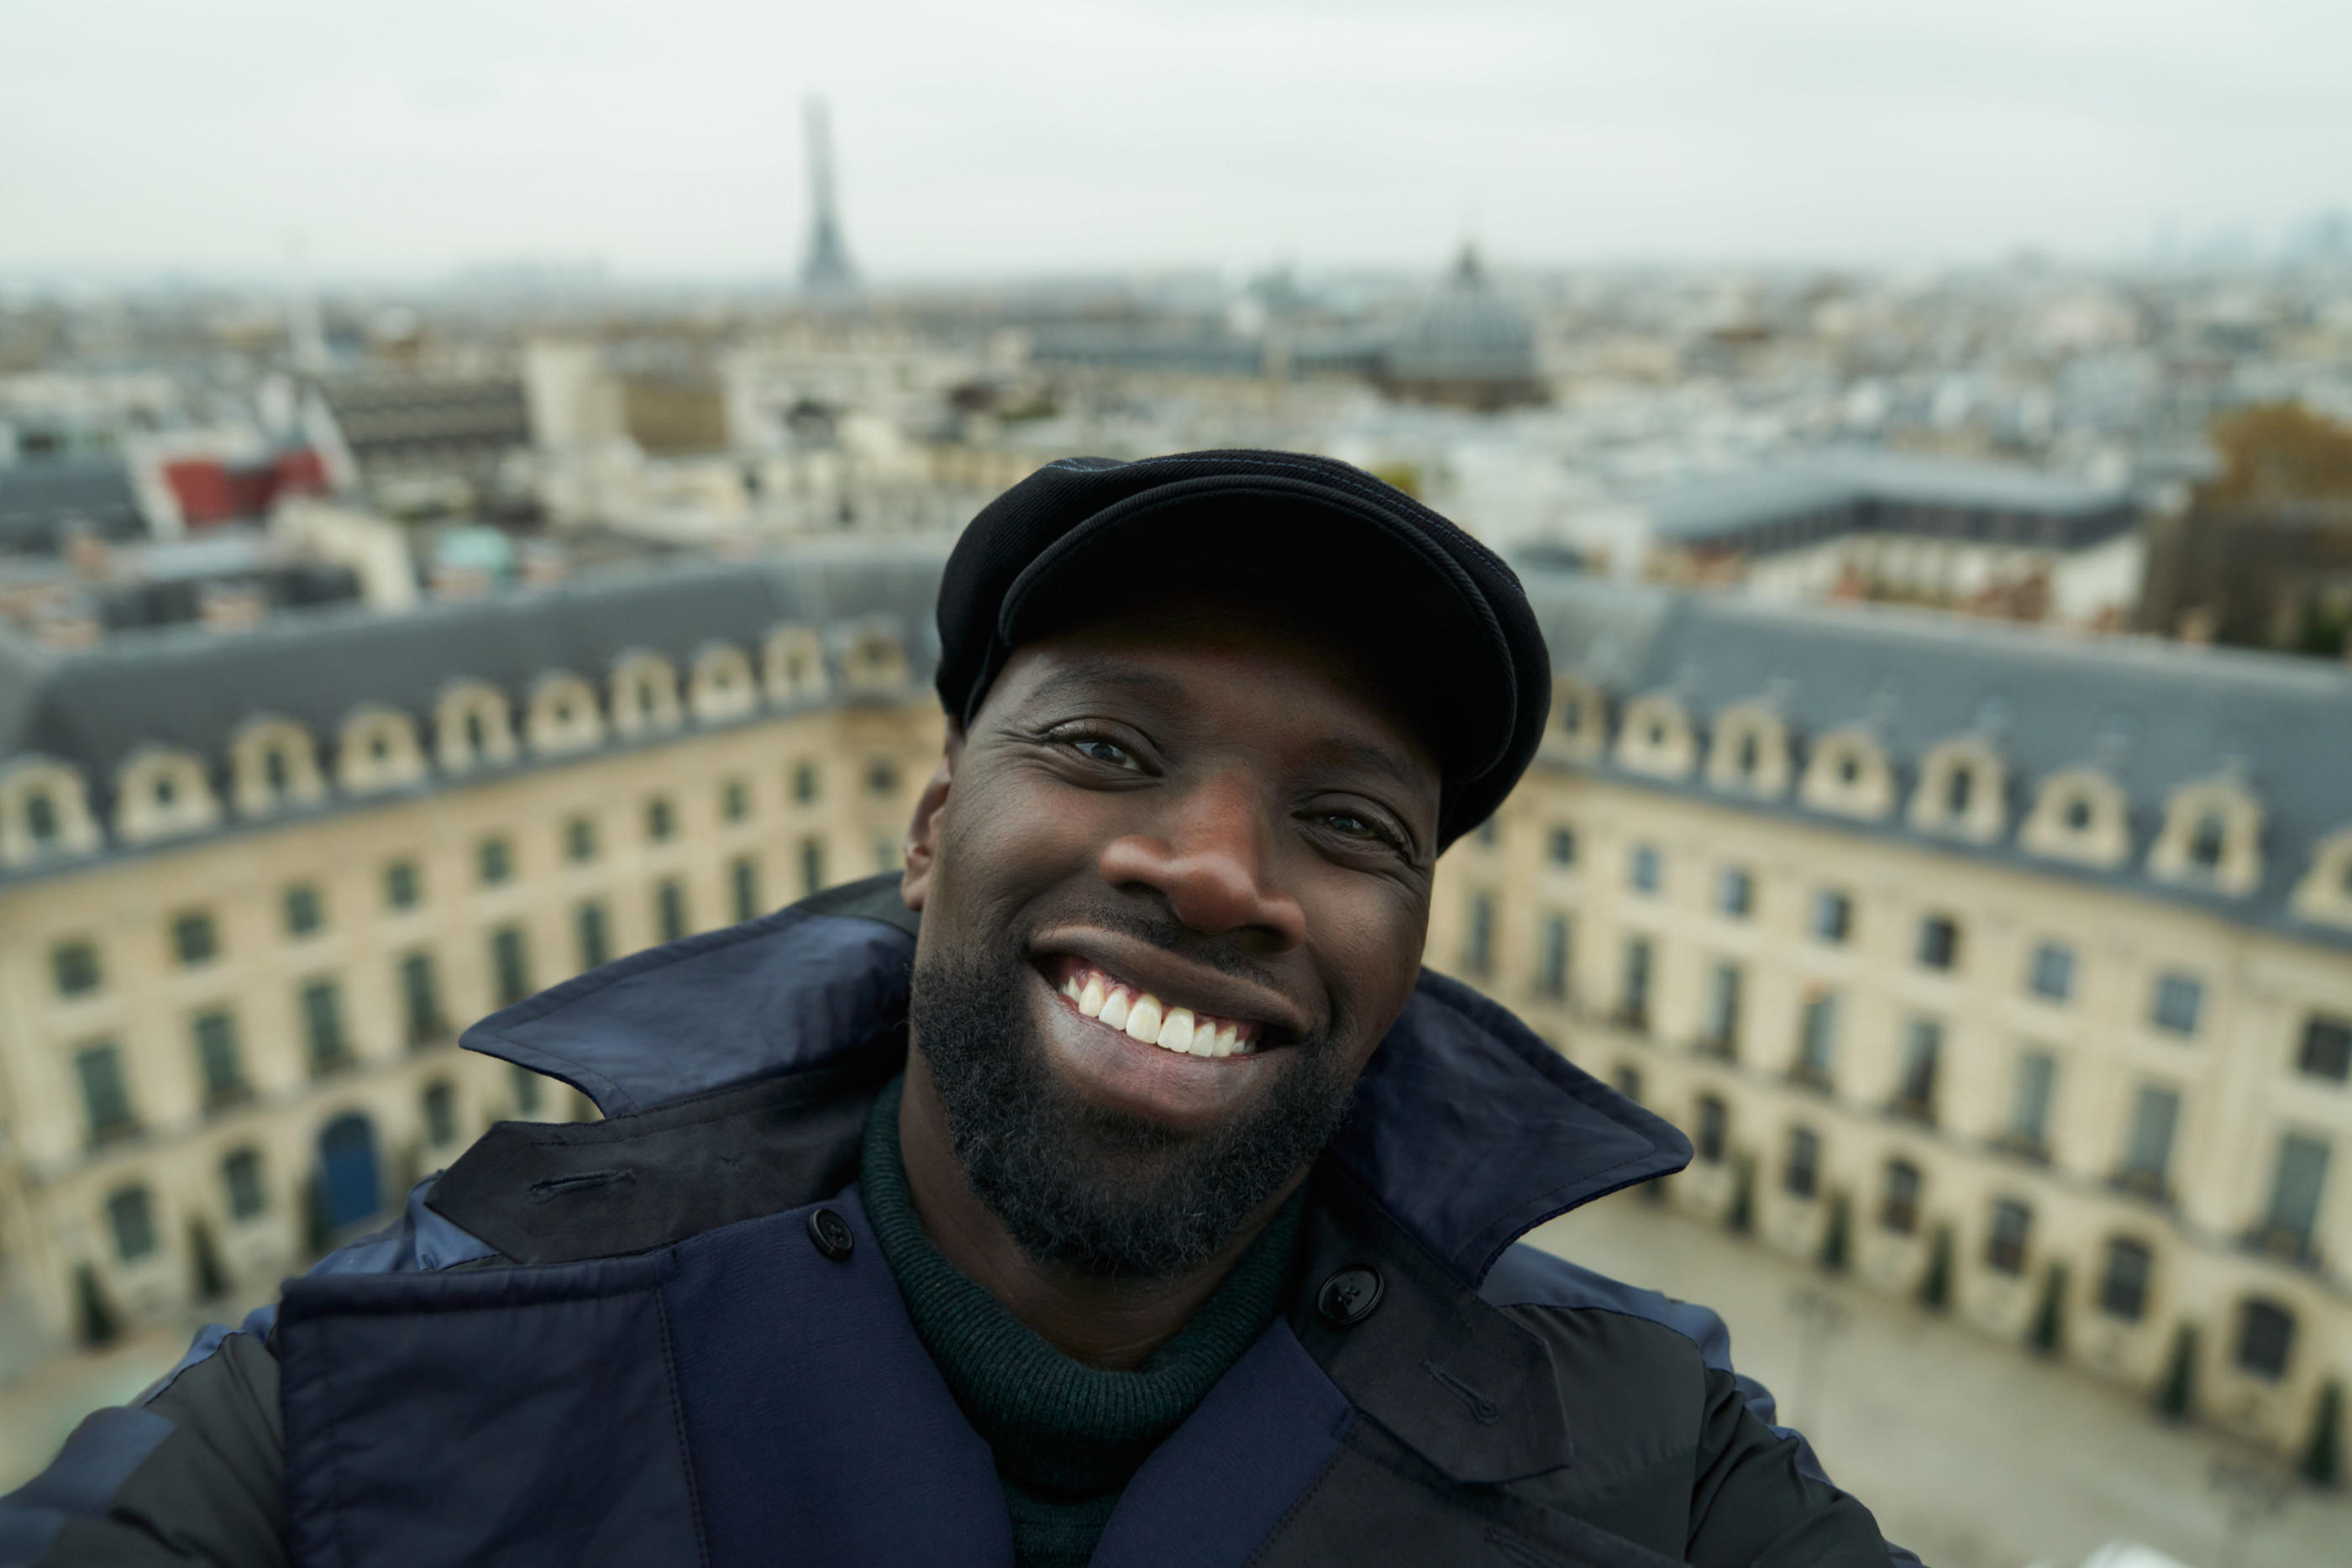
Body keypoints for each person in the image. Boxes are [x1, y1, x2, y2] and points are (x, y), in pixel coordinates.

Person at [2, 451, 1906, 1568]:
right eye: (1100, 742)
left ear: (1409, 944)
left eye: (1345, 821)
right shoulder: (394, 1370)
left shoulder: (1653, 1449)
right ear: (928, 832)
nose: (1214, 866)